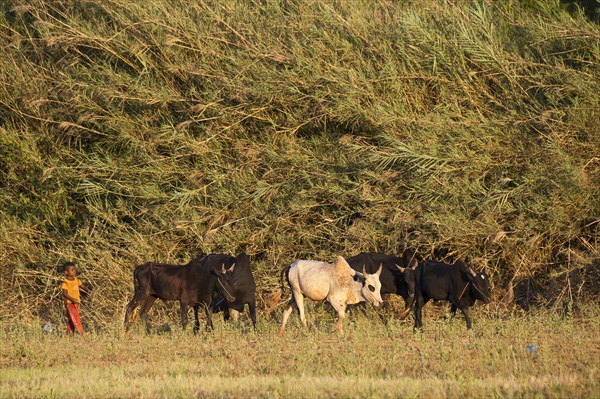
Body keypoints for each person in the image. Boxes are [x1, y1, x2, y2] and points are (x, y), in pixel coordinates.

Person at [61, 261, 92, 335]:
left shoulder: (76, 280)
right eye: (72, 270)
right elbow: (64, 294)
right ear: (66, 272)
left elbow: (82, 286)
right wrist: (72, 299)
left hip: (76, 303)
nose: (74, 271)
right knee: (76, 318)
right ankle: (82, 333)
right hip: (70, 303)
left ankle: (67, 335)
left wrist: (88, 290)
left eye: (74, 269)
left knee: (71, 320)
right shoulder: (65, 282)